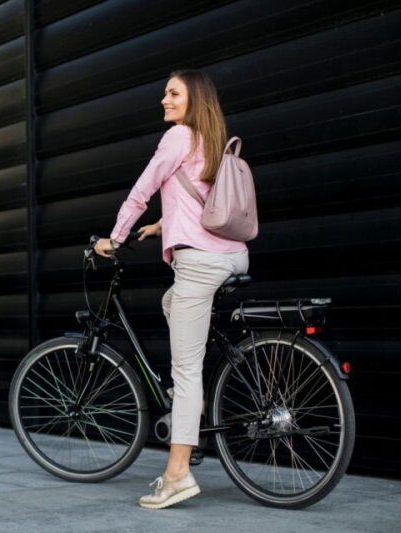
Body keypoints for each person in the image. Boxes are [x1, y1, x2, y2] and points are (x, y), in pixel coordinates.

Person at [93, 69, 250, 510]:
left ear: (193, 99)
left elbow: (143, 189)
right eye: (164, 92)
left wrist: (116, 237)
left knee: (185, 372)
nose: (164, 99)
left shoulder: (179, 137)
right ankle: (193, 408)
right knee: (172, 305)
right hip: (233, 255)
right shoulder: (211, 138)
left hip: (200, 264)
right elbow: (202, 199)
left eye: (173, 93)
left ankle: (178, 473)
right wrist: (162, 226)